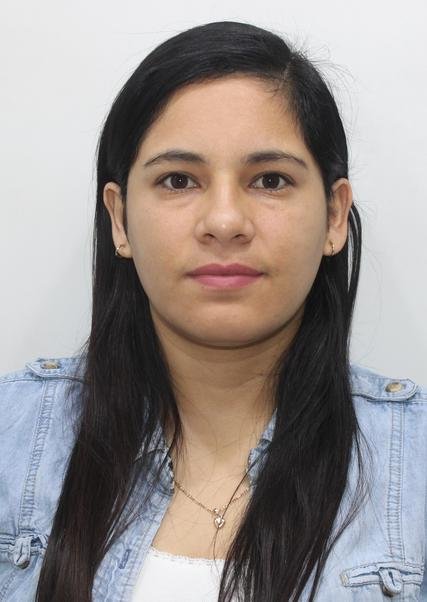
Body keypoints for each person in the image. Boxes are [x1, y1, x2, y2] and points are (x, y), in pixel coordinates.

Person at [0, 20, 426, 602]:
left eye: (270, 180)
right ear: (119, 219)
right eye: (178, 180)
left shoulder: (413, 465)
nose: (224, 222)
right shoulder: (13, 434)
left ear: (333, 216)